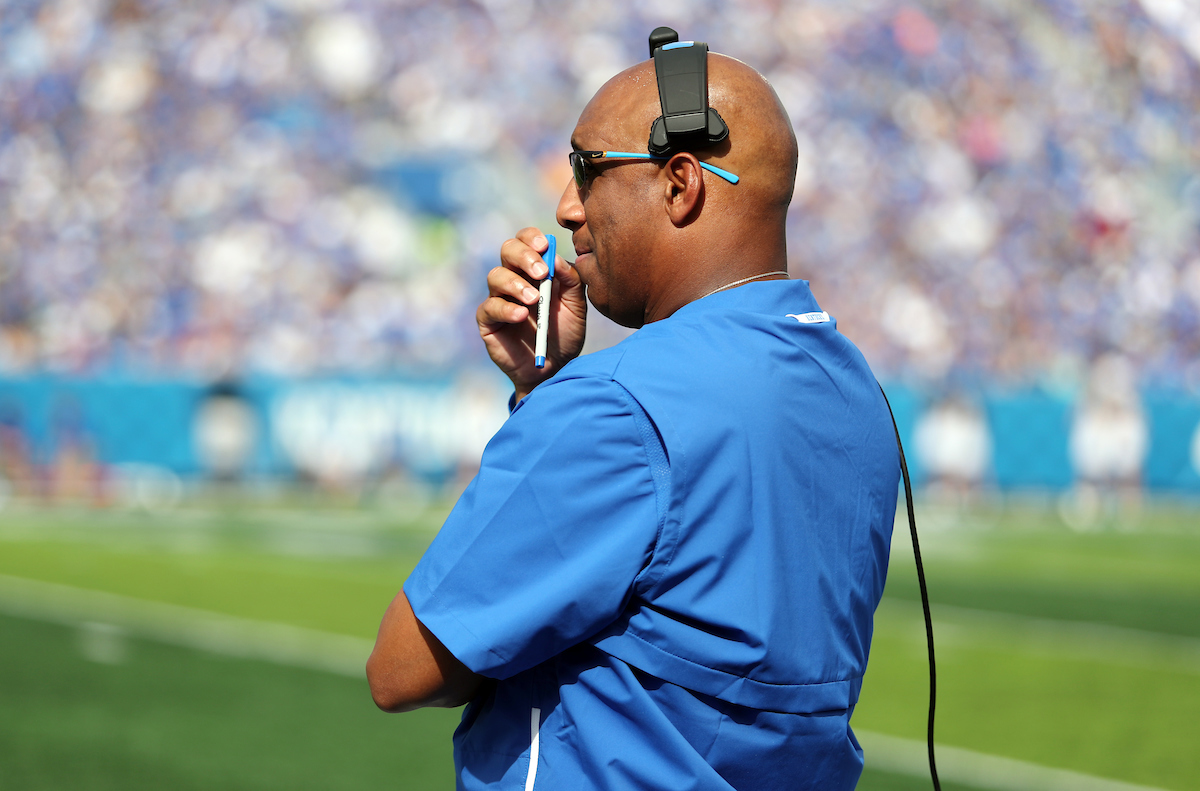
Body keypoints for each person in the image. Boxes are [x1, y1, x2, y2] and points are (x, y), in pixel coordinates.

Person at [367, 46, 900, 791]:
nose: (566, 205)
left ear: (681, 184)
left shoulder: (616, 400)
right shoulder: (857, 387)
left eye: (588, 168)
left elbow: (403, 669)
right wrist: (542, 386)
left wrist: (552, 401)